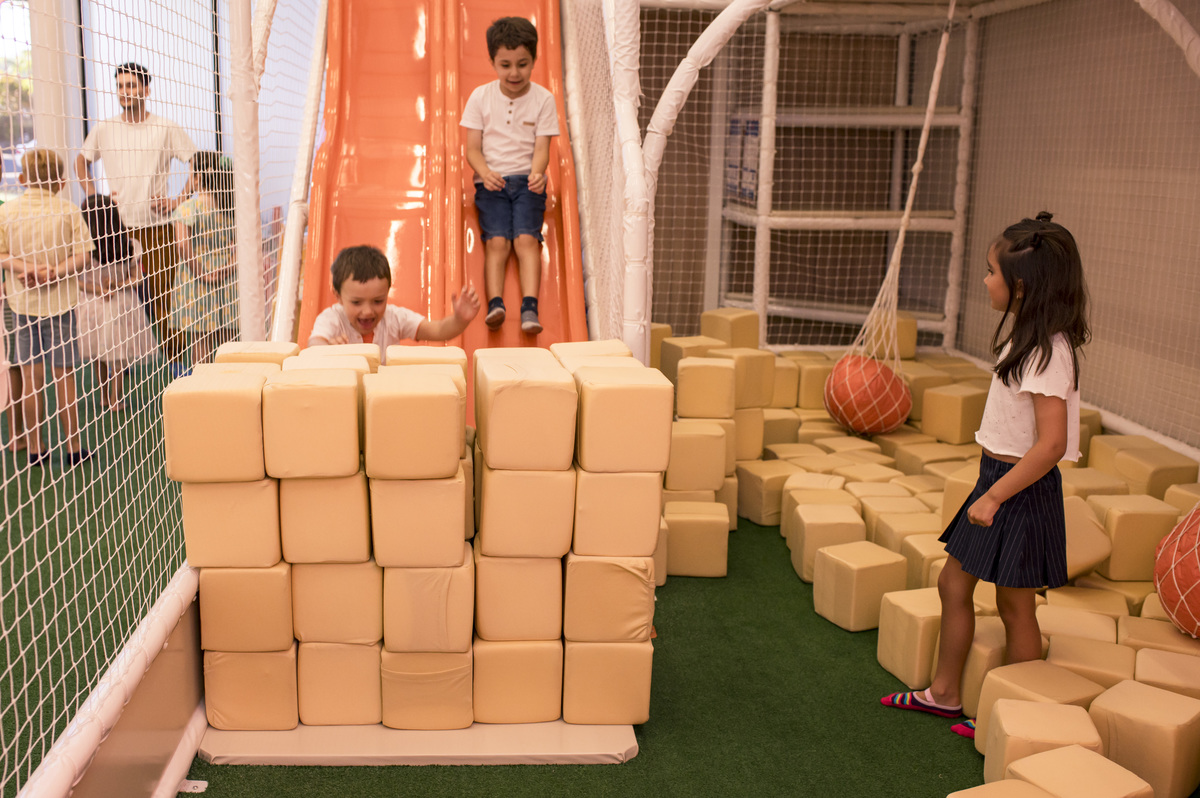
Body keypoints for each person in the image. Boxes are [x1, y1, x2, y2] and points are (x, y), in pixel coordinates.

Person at [879, 212, 1090, 739]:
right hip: (999, 476)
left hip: (1020, 487)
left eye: (992, 272)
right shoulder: (1029, 335)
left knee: (1015, 604)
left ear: (1020, 287)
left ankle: (1014, 714)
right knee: (955, 582)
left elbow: (1052, 444)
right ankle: (945, 694)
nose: (985, 280)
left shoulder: (1047, 352)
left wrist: (995, 495)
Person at [76, 62, 197, 363]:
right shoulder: (105, 128)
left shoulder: (165, 127)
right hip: (116, 233)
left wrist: (178, 200)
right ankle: (121, 374)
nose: (124, 92)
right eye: (120, 86)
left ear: (146, 90)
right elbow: (81, 161)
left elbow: (197, 164)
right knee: (115, 303)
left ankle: (179, 369)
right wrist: (95, 198)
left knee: (164, 303)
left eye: (131, 85)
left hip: (158, 230)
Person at [461, 16, 559, 335]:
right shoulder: (480, 97)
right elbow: (472, 149)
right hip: (493, 182)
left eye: (522, 64)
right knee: (498, 242)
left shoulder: (543, 99)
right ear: (492, 62)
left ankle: (530, 308)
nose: (514, 73)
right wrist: (485, 172)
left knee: (527, 240)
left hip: (527, 181)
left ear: (534, 60)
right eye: (505, 65)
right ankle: (496, 304)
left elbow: (542, 148)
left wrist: (538, 173)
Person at [0, 149, 95, 467]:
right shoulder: (68, 211)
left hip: (23, 304)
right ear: (62, 182)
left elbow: (1, 254)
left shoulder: (8, 212)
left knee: (30, 378)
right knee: (64, 375)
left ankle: (35, 449)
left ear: (23, 179)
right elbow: (83, 256)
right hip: (60, 305)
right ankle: (74, 448)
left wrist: (23, 269)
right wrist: (54, 272)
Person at [308, 244, 480, 358]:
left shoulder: (394, 318)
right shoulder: (332, 319)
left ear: (387, 292)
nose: (368, 311)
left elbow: (438, 330)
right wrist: (327, 349)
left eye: (378, 301)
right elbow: (314, 345)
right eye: (356, 302)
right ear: (338, 296)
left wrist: (460, 320)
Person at [76, 194, 158, 410]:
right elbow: (137, 277)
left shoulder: (84, 249)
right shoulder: (127, 245)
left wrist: (102, 288)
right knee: (116, 353)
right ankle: (115, 398)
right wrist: (116, 285)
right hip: (120, 304)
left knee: (99, 354)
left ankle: (105, 397)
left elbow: (77, 282)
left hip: (94, 305)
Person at [168, 152, 238, 367]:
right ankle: (235, 385)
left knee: (200, 340)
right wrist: (225, 269)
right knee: (230, 341)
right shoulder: (230, 211)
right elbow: (240, 247)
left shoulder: (188, 208)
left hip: (197, 283)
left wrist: (201, 273)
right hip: (227, 283)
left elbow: (182, 244)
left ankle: (204, 389)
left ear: (197, 178)